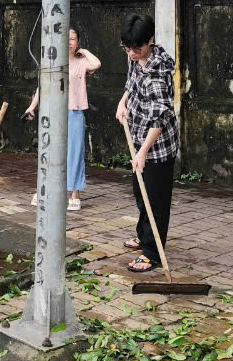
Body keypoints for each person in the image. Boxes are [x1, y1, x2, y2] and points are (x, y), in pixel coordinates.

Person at [115, 14, 178, 274]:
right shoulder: (137, 57)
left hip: (157, 145)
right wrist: (123, 101)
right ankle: (143, 235)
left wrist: (142, 153)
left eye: (136, 48)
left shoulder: (157, 76)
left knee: (155, 200)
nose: (131, 53)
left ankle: (152, 252)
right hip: (139, 133)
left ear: (150, 41)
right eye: (127, 48)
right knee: (140, 193)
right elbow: (131, 81)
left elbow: (159, 121)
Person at [25, 24, 101, 211]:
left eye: (72, 39)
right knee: (48, 152)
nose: (68, 42)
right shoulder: (52, 61)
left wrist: (83, 51)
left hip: (74, 113)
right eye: (65, 39)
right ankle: (43, 189)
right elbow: (42, 87)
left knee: (74, 153)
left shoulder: (82, 62)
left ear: (78, 42)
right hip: (53, 114)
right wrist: (32, 107)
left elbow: (96, 64)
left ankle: (74, 194)